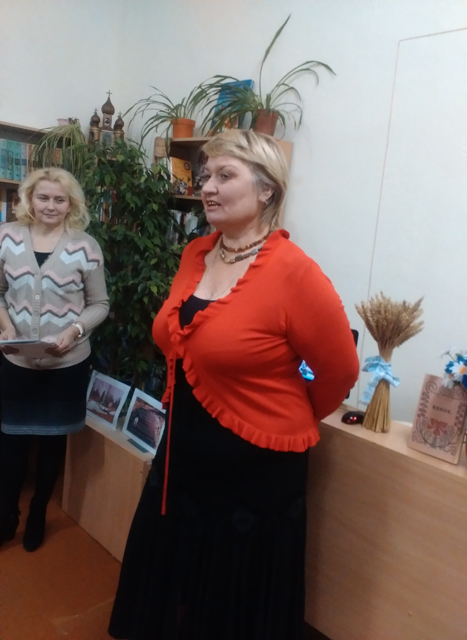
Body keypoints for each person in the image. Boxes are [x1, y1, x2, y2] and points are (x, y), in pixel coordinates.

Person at [108, 130, 359, 640]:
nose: (207, 187)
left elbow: (340, 372)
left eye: (225, 175)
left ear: (267, 190)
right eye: (206, 176)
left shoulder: (295, 272)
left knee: (232, 597)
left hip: (256, 466)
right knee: (177, 576)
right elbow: (178, 340)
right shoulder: (196, 254)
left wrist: (283, 414)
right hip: (184, 452)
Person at [0, 168, 109, 552]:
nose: (50, 205)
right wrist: (5, 327)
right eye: (43, 197)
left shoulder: (86, 247)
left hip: (67, 364)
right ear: (29, 199)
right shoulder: (6, 237)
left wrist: (75, 330)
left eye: (59, 199)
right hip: (16, 362)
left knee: (51, 445)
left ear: (70, 204)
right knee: (10, 443)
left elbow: (99, 304)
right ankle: (6, 514)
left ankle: (38, 513)